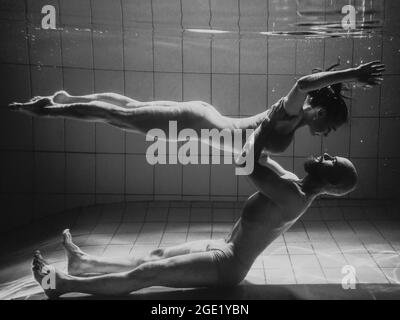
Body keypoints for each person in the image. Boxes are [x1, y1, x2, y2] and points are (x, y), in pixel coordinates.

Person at [32, 112, 358, 298]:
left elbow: (246, 164)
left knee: (148, 273)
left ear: (331, 184)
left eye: (332, 162)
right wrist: (287, 121)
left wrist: (265, 125)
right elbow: (258, 156)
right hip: (222, 246)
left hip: (227, 265)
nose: (326, 155)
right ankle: (84, 263)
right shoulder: (291, 182)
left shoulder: (294, 197)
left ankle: (63, 285)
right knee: (154, 256)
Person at [10, 61, 384, 155]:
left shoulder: (293, 124)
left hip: (199, 119)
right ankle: (47, 109)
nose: (327, 133)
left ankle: (67, 99)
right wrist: (354, 74)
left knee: (126, 115)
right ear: (319, 111)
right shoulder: (290, 110)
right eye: (330, 125)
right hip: (192, 121)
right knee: (118, 116)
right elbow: (305, 83)